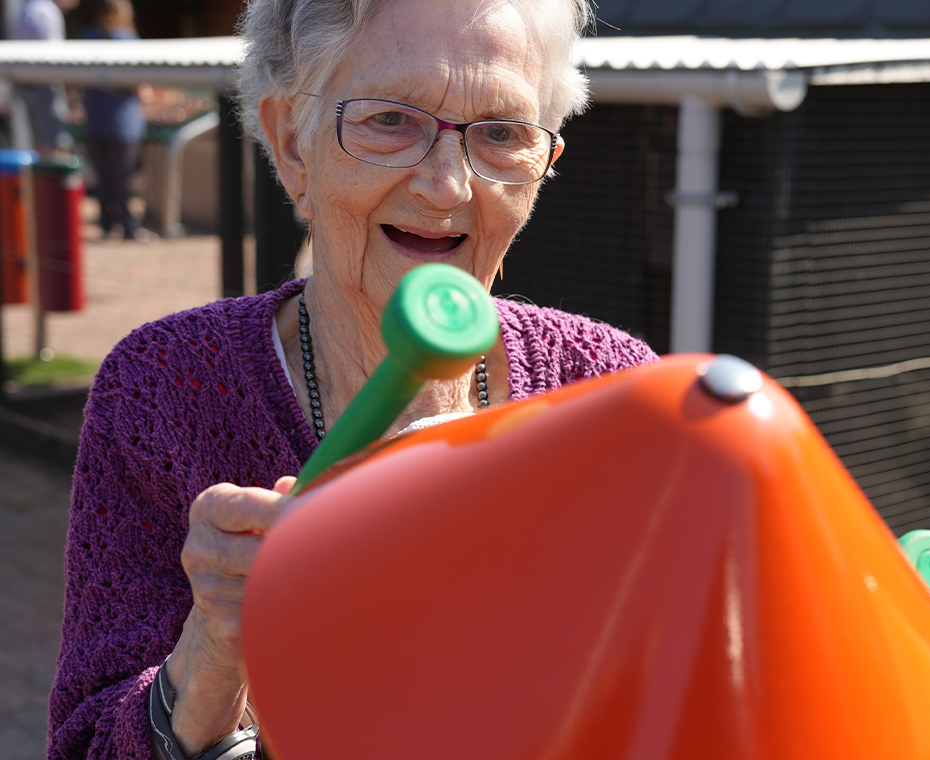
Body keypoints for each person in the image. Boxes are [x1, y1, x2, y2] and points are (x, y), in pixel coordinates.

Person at [47, 0, 657, 757]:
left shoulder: (611, 396)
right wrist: (211, 658)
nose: (446, 186)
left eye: (501, 134)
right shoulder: (167, 389)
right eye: (390, 121)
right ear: (291, 142)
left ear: (542, 166)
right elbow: (84, 744)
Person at [81, 0, 147, 240]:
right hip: (122, 121)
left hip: (97, 120)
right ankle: (129, 227)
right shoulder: (126, 39)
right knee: (125, 178)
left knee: (105, 178)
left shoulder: (89, 37)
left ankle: (108, 225)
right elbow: (136, 82)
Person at [9, 0, 78, 156]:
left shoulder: (24, 9)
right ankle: (54, 180)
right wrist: (68, 85)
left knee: (41, 145)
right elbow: (54, 57)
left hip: (27, 85)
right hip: (45, 85)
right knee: (56, 147)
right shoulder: (46, 11)